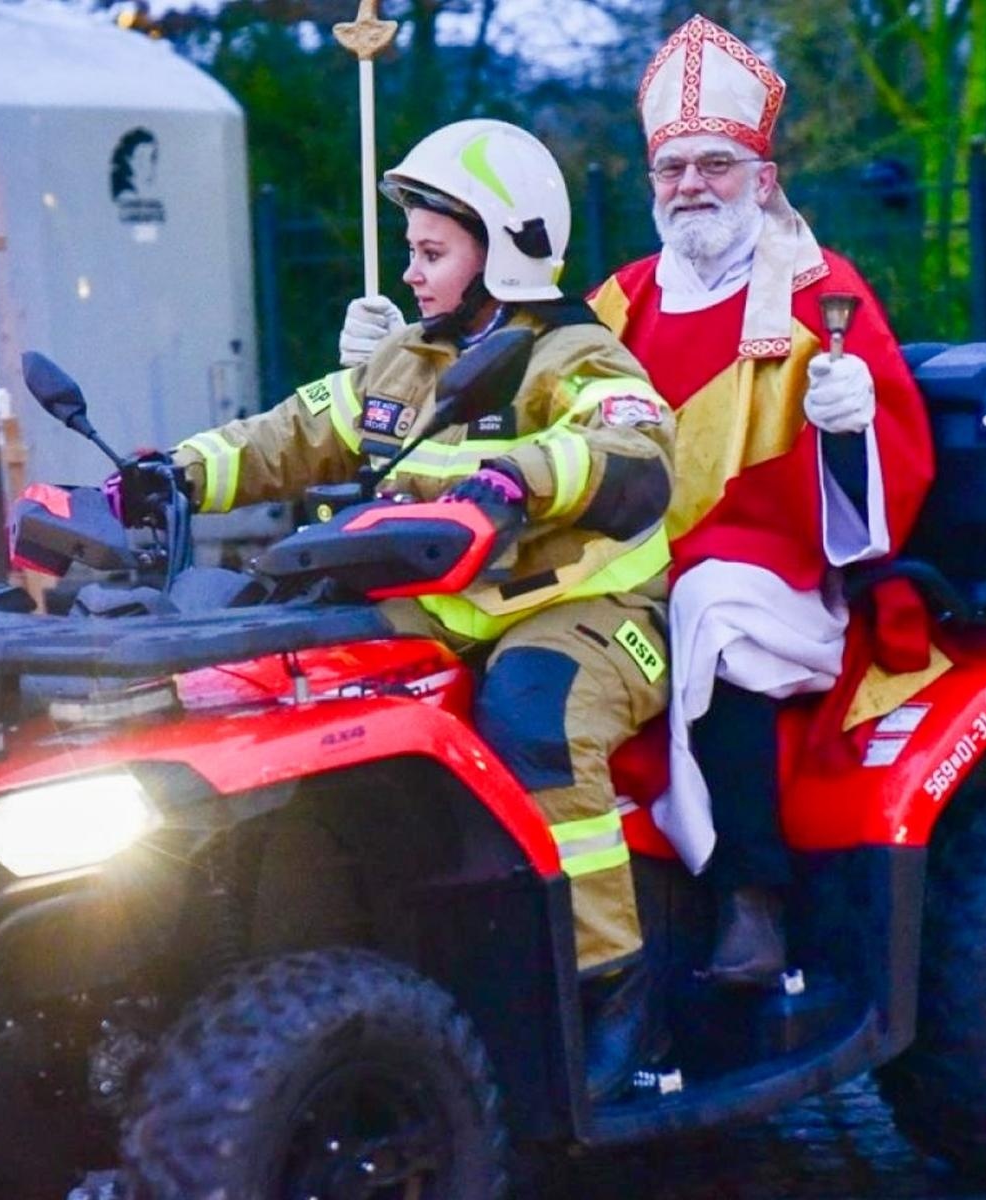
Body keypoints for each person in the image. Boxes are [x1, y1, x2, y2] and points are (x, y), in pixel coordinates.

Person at [179, 119, 676, 1099]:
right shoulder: (407, 362)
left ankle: (609, 988)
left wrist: (520, 478)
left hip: (593, 610)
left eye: (430, 251)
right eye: (411, 249)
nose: (410, 272)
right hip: (450, 609)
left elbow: (637, 446)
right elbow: (289, 434)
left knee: (534, 715)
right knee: (294, 686)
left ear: (504, 248)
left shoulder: (574, 354)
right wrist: (168, 478)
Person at [584, 14, 937, 986]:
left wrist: (847, 425)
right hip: (627, 563)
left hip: (782, 576)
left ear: (763, 178)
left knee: (710, 609)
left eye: (715, 164)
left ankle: (748, 897)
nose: (690, 185)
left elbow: (881, 496)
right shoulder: (616, 305)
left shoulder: (819, 292)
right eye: (672, 168)